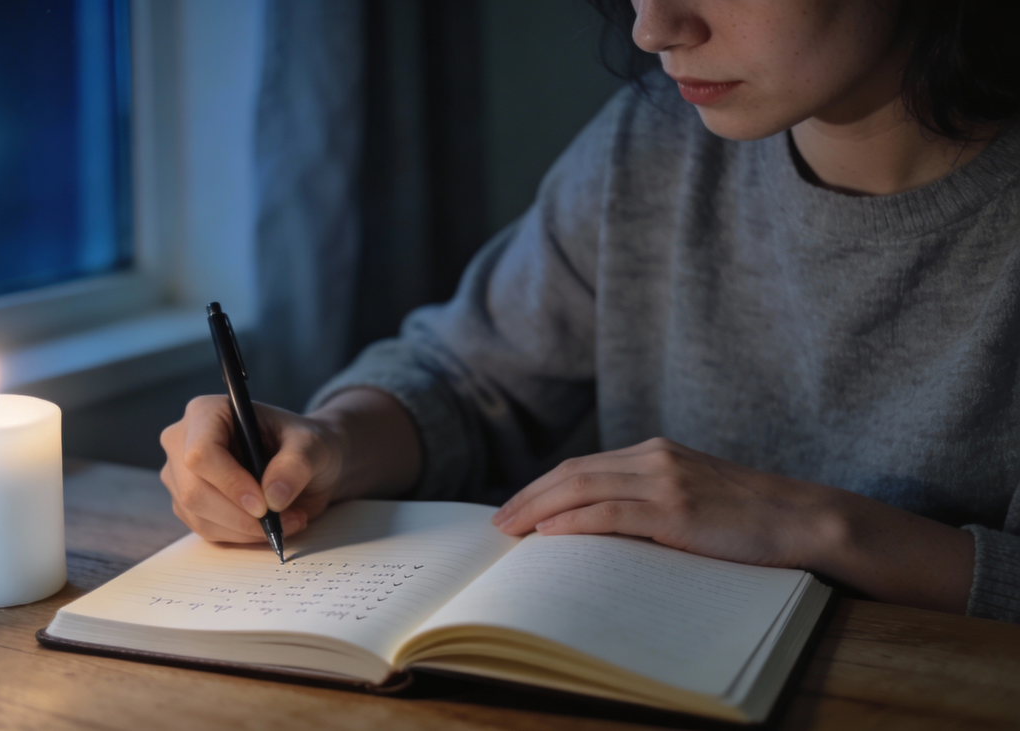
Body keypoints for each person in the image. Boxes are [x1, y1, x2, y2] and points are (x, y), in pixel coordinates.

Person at [160, 0, 1020, 623]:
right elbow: (460, 379)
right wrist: (330, 442)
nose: (653, 28)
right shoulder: (654, 143)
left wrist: (814, 526)